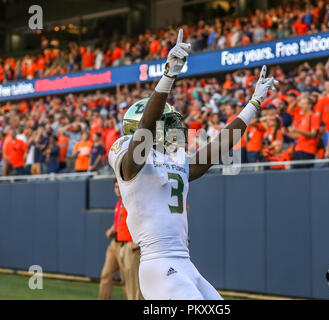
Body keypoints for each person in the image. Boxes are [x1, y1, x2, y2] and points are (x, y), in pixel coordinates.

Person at [108, 29, 277, 300]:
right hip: (158, 263)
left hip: (184, 262)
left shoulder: (174, 160)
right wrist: (168, 76)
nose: (177, 131)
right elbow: (144, 135)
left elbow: (216, 149)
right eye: (169, 125)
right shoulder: (128, 157)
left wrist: (253, 105)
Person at [98, 180, 126, 300]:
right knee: (106, 275)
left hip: (126, 244)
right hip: (115, 243)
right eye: (115, 187)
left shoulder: (130, 203)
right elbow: (117, 224)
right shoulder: (118, 203)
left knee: (126, 280)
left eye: (119, 187)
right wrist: (112, 230)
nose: (117, 189)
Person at [286, 96, 320, 168]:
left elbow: (313, 134)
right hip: (298, 150)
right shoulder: (302, 118)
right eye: (301, 104)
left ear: (309, 105)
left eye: (304, 103)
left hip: (308, 151)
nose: (301, 106)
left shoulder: (314, 117)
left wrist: (296, 130)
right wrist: (286, 133)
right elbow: (298, 135)